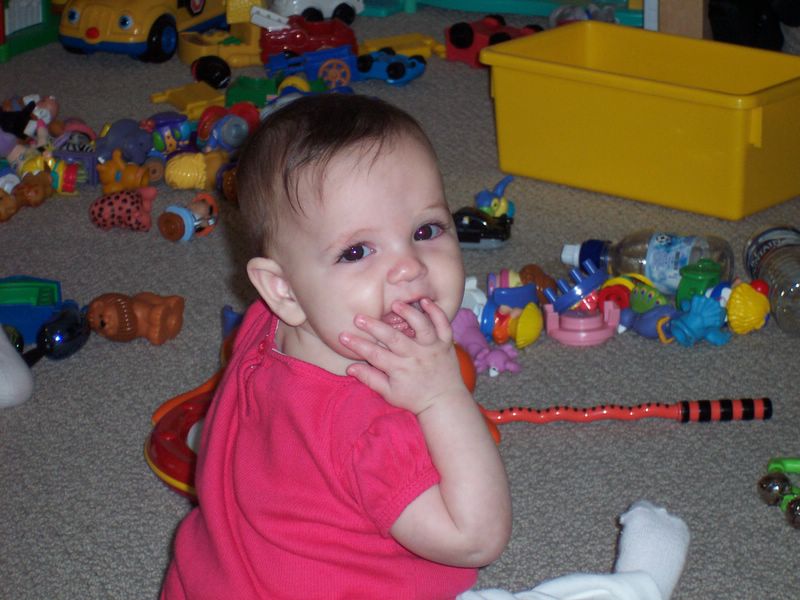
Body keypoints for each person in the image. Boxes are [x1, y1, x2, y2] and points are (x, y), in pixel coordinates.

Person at [160, 93, 513, 600]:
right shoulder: (374, 424)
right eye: (357, 251)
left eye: (426, 230)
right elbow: (475, 539)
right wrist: (443, 397)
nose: (408, 266)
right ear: (283, 289)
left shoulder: (266, 322)